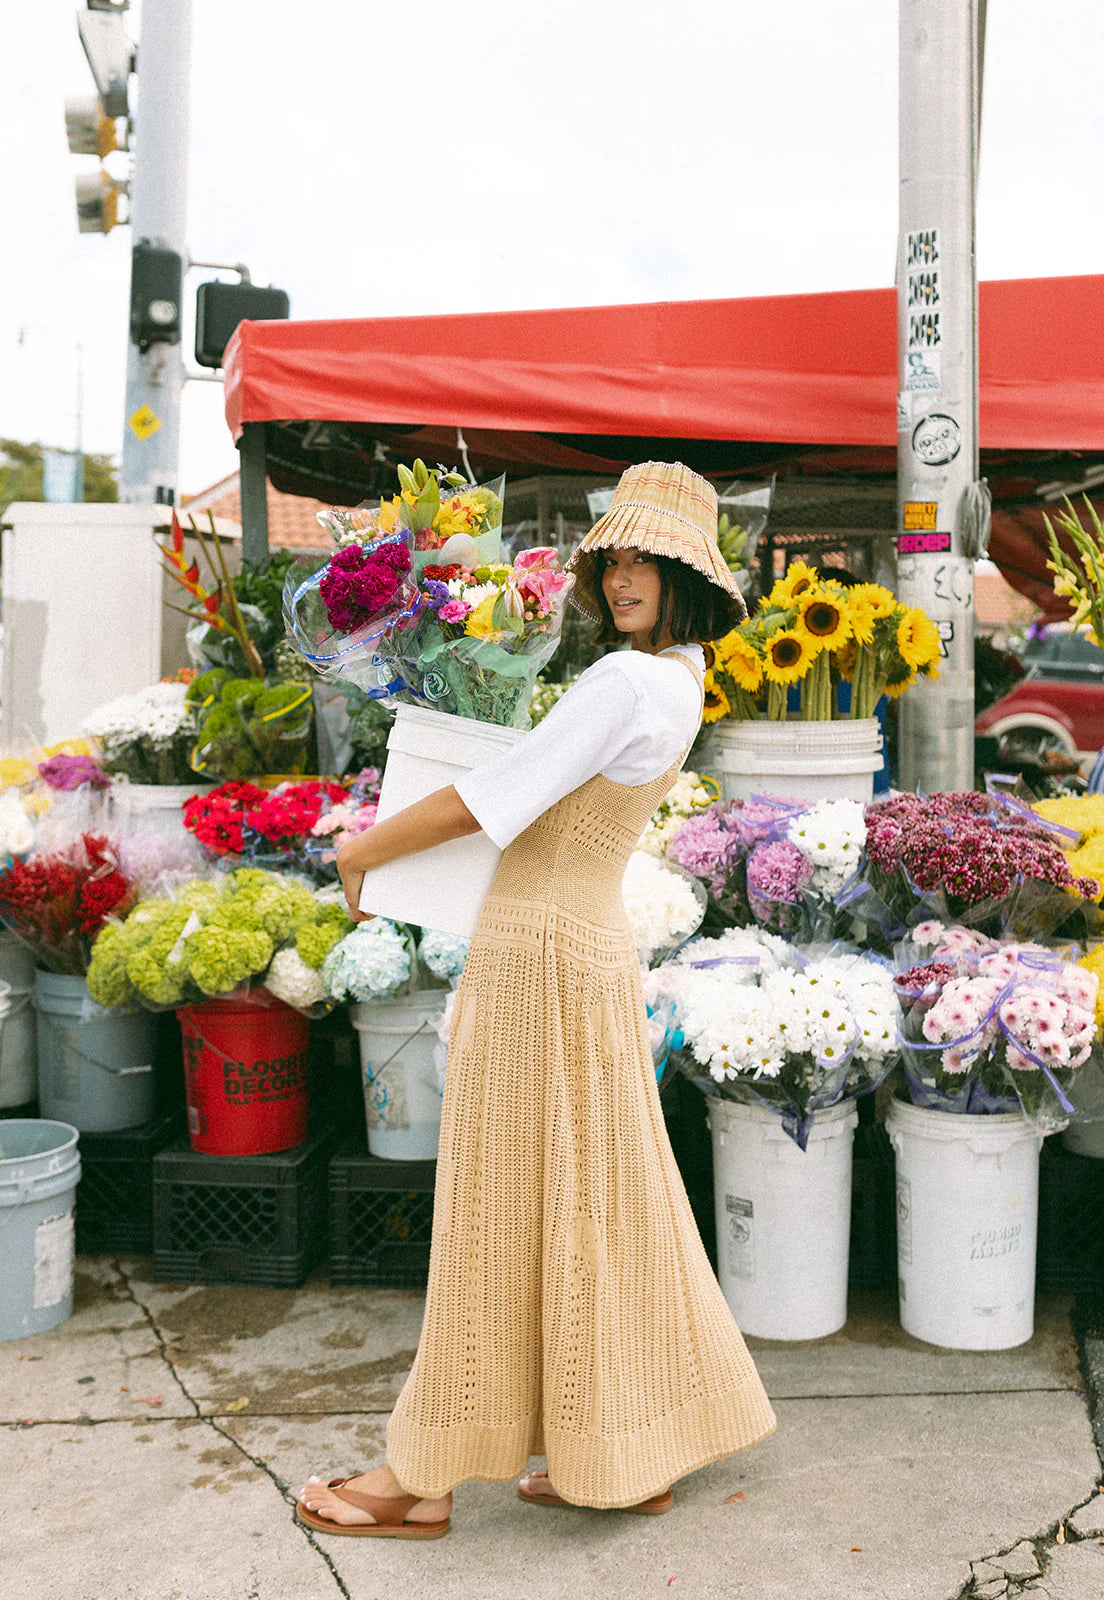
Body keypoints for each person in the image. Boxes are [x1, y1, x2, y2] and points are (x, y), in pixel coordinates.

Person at [295, 461, 777, 1540]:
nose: (623, 575)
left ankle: (418, 1476)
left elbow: (493, 800)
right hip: (583, 947)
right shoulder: (677, 677)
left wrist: (364, 845)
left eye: (649, 557)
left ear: (690, 571)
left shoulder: (626, 683)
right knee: (597, 1197)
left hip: (539, 953)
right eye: (615, 556)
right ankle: (625, 1449)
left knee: (495, 1203)